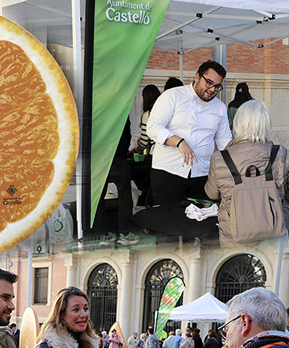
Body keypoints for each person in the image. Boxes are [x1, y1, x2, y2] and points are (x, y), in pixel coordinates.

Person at [205, 101, 289, 246]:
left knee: (237, 268)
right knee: (276, 268)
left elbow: (212, 194)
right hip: (275, 229)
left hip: (234, 234)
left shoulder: (220, 158)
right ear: (266, 124)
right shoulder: (281, 153)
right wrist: (278, 199)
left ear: (238, 123)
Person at [147, 60, 231, 207]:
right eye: (209, 83)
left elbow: (225, 142)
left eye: (217, 86)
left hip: (203, 174)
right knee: (169, 222)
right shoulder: (172, 96)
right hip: (168, 172)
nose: (212, 89)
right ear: (197, 76)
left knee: (201, 223)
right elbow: (153, 127)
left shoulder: (220, 108)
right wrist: (179, 142)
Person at [94, 118, 138, 247]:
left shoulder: (96, 109)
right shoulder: (121, 110)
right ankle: (125, 233)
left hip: (98, 158)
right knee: (124, 195)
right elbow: (126, 136)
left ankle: (103, 235)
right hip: (117, 158)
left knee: (98, 198)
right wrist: (123, 152)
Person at [137, 85, 161, 154]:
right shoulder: (164, 110)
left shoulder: (147, 115)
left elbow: (144, 142)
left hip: (156, 152)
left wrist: (136, 151)